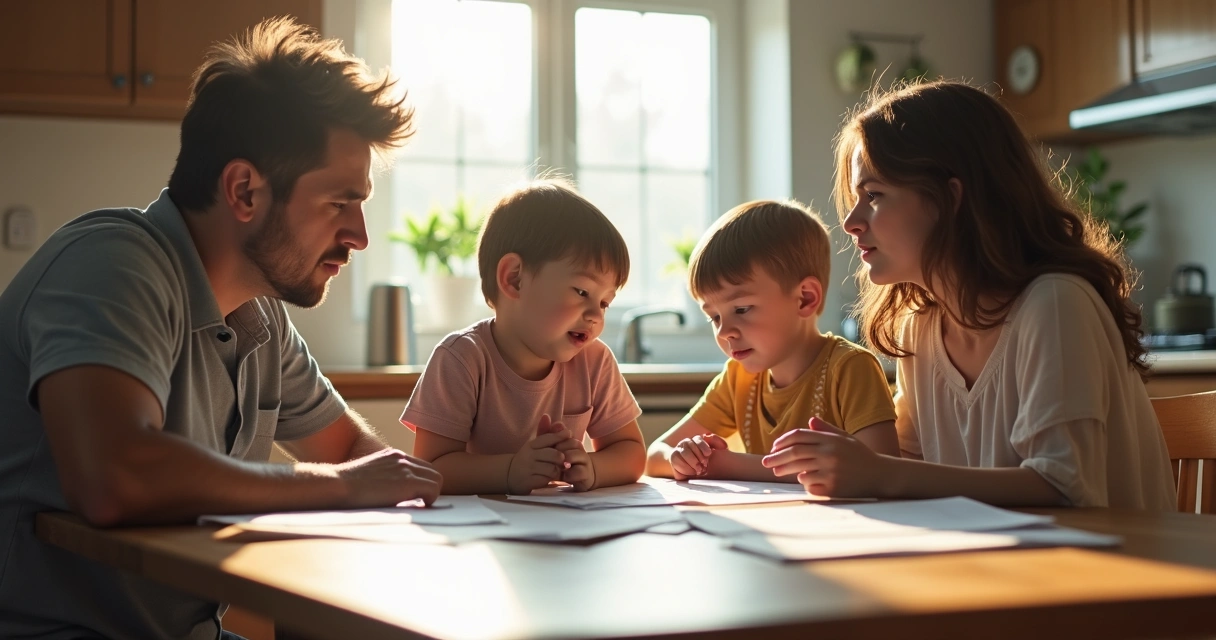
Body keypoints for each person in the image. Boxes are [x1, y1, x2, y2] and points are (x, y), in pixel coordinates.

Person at [0, 17, 442, 640]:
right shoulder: (113, 264)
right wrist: (341, 487)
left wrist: (416, 493)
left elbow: (346, 452)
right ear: (244, 191)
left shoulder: (261, 317)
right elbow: (114, 477)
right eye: (339, 202)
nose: (359, 236)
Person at [763, 80, 1176, 510]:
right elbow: (907, 465)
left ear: (950, 198)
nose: (850, 222)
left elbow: (1065, 487)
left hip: (1115, 569)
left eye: (874, 195)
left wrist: (880, 472)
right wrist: (853, 462)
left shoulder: (1054, 304)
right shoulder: (919, 330)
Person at [403, 179, 646, 495]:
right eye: (582, 292)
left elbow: (631, 452)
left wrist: (593, 466)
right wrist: (510, 470)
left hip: (566, 529)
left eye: (604, 302)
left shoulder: (594, 360)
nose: (596, 316)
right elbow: (431, 468)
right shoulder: (461, 358)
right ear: (514, 279)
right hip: (483, 531)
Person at [646, 200, 899, 481]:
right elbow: (655, 455)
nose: (724, 331)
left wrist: (728, 466)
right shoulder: (737, 379)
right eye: (714, 317)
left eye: (741, 310)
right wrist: (681, 458)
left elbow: (881, 471)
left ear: (805, 298)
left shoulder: (850, 369)